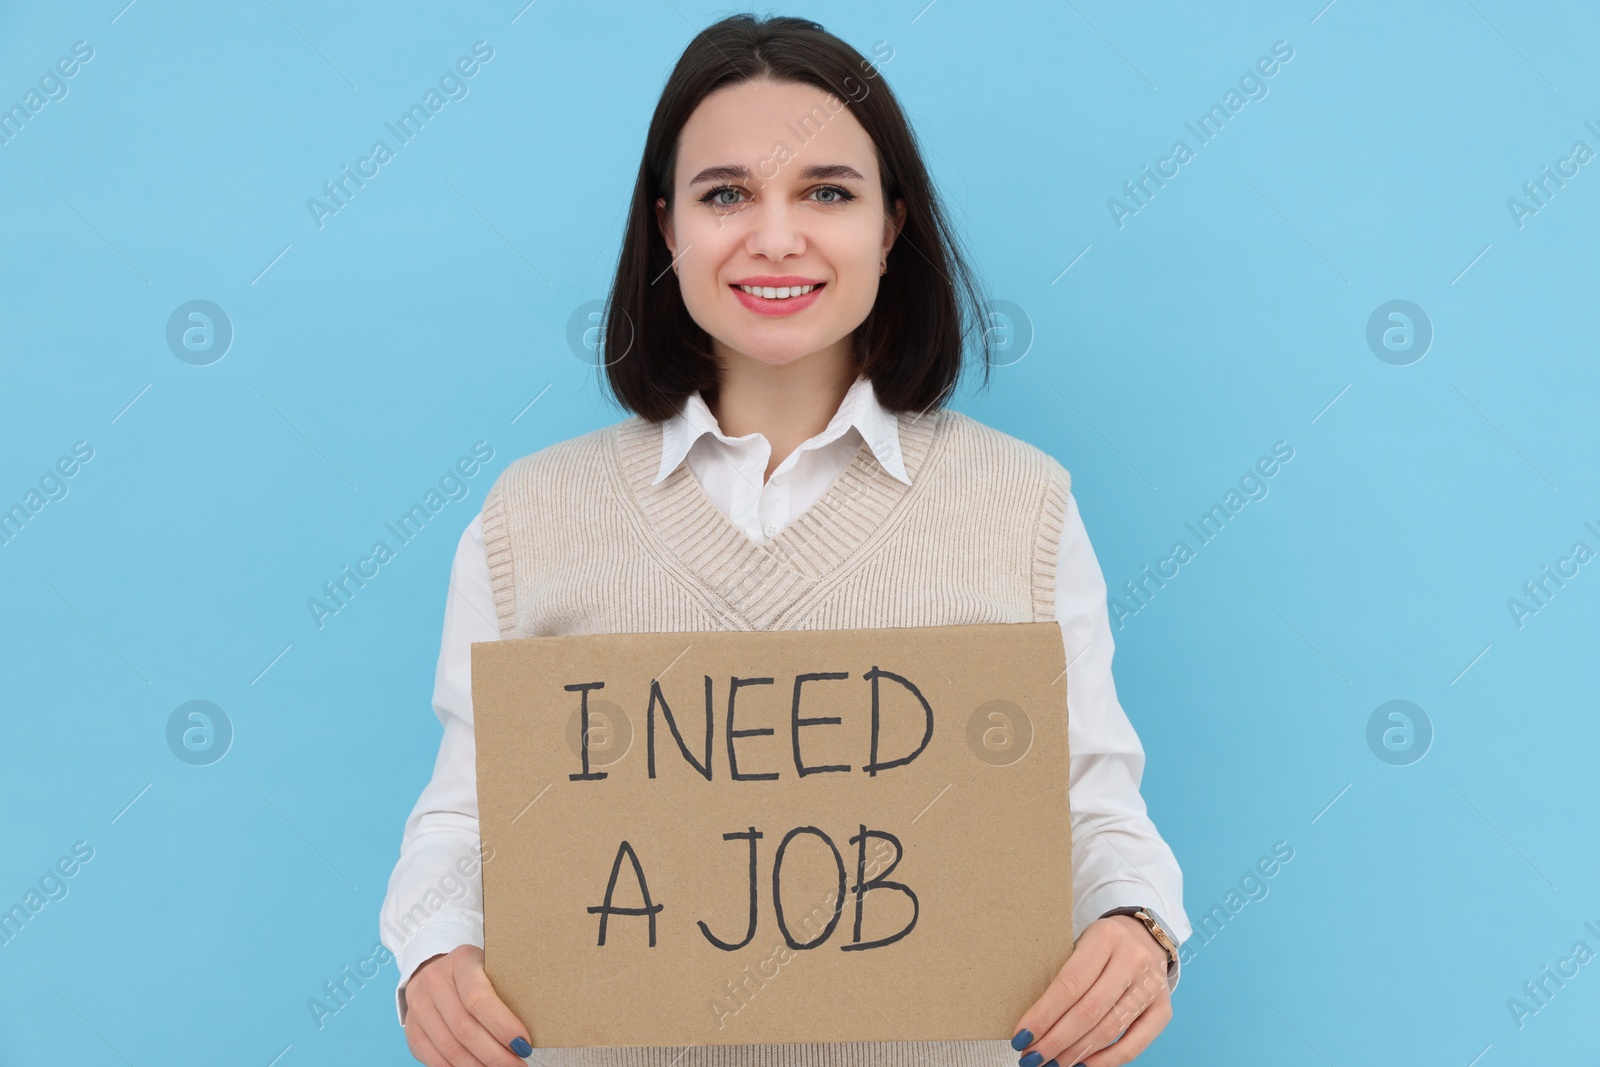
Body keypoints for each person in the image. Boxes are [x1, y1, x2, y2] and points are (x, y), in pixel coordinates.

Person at [379, 13, 1191, 1067]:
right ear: (665, 224)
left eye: (826, 191)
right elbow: (462, 817)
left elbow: (1090, 803)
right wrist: (433, 950)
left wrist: (1137, 927)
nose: (774, 236)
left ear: (892, 223)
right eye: (725, 194)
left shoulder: (1022, 505)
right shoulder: (529, 517)